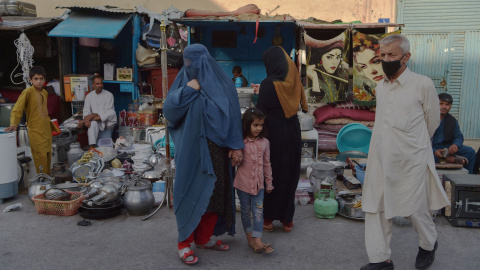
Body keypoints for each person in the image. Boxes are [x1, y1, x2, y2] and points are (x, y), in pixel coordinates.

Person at [361, 34, 449, 270]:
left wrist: (411, 142)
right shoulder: (380, 86)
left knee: (414, 209)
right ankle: (380, 259)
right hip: (380, 157)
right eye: (383, 55)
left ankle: (429, 244)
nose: (386, 59)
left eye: (392, 55)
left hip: (411, 158)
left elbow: (432, 123)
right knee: (375, 206)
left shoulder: (423, 84)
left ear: (406, 57)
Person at [163, 44, 244, 265]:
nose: (191, 66)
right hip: (191, 151)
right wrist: (189, 89)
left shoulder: (223, 82)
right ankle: (184, 244)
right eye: (187, 61)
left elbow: (234, 116)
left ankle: (204, 238)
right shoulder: (183, 82)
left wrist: (237, 146)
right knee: (187, 192)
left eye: (195, 61)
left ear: (205, 60)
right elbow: (169, 111)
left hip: (218, 150)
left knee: (213, 196)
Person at [256, 46, 308, 232]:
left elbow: (260, 111)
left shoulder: (269, 84)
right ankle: (287, 219)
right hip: (292, 131)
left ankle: (268, 219)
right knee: (290, 173)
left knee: (272, 174)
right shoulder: (294, 82)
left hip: (274, 134)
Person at [234, 107, 274, 254]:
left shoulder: (265, 143)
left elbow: (267, 163)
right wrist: (235, 156)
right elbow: (235, 164)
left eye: (261, 125)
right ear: (247, 125)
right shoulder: (240, 143)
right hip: (242, 185)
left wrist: (269, 182)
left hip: (259, 186)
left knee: (258, 212)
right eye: (255, 125)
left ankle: (258, 239)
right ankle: (250, 238)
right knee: (245, 212)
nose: (258, 128)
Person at [5, 66, 59, 175]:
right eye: (36, 79)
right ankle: (42, 180)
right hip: (35, 130)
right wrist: (14, 124)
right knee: (40, 156)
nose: (38, 81)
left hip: (46, 130)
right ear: (30, 80)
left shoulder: (44, 93)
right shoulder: (28, 92)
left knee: (48, 154)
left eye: (41, 79)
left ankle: (47, 180)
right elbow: (17, 109)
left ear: (44, 80)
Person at [432, 93, 476, 174]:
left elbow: (458, 136)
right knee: (424, 154)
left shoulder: (452, 120)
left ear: (450, 106)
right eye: (441, 104)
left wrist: (455, 145)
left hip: (447, 148)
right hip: (432, 148)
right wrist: (434, 150)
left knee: (470, 152)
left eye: (447, 104)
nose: (444, 107)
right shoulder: (428, 118)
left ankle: (468, 179)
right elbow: (422, 139)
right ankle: (450, 159)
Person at [305, 33, 349, 103]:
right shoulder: (313, 75)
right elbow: (313, 102)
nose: (334, 62)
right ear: (320, 59)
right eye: (329, 57)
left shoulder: (340, 74)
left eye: (338, 57)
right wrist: (315, 80)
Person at [77, 76, 116, 150]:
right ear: (93, 85)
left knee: (112, 112)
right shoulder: (89, 96)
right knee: (93, 123)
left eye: (101, 83)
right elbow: (86, 111)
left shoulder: (109, 95)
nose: (100, 85)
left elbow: (107, 111)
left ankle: (91, 117)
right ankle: (91, 147)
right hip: (95, 121)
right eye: (97, 84)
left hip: (106, 122)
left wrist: (93, 116)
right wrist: (88, 119)